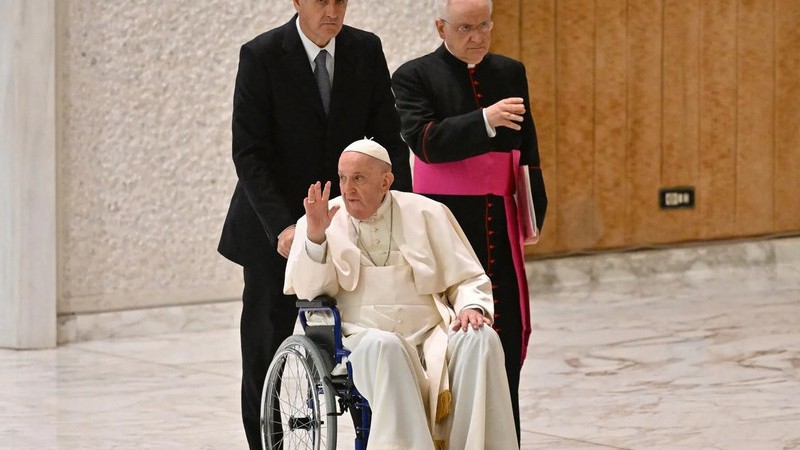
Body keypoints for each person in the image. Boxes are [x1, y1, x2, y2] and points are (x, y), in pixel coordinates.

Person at [217, 1, 412, 447]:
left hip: (349, 224)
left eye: (340, 1)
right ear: (298, 2)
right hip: (274, 226)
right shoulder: (261, 55)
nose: (333, 10)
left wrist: (399, 208)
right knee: (266, 345)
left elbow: (388, 139)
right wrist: (285, 227)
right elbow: (249, 153)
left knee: (367, 332)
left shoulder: (365, 49)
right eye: (322, 0)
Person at [284, 138, 519, 450]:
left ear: (386, 181)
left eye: (358, 178)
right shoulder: (321, 220)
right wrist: (315, 236)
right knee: (387, 345)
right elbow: (309, 293)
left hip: (434, 333)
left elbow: (467, 278)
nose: (348, 188)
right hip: (360, 337)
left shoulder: (428, 212)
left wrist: (471, 306)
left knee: (481, 338)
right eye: (342, 178)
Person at [391, 0, 547, 441]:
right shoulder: (413, 75)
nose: (477, 36)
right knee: (451, 341)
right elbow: (426, 143)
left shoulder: (510, 71)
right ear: (441, 27)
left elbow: (527, 147)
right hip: (445, 223)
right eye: (465, 28)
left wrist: (533, 211)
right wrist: (485, 120)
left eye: (484, 26)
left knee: (507, 333)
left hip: (500, 216)